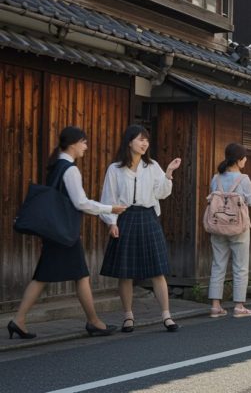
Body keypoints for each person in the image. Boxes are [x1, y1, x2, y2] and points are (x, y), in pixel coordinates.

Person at [8, 126, 127, 339]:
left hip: (54, 232)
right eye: (84, 142)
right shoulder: (70, 169)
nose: (86, 147)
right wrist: (110, 208)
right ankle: (93, 322)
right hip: (64, 235)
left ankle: (19, 320)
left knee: (44, 277)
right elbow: (80, 202)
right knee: (80, 275)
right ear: (73, 143)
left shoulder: (56, 166)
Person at [99, 125, 182, 332]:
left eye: (146, 140)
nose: (144, 143)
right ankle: (128, 316)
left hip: (148, 217)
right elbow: (108, 198)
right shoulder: (115, 169)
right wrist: (111, 222)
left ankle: (166, 316)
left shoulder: (152, 166)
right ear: (129, 142)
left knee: (158, 269)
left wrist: (169, 172)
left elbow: (162, 193)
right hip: (125, 217)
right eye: (140, 139)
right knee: (125, 272)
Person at [208, 143, 251, 319]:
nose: (245, 161)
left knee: (218, 264)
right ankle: (239, 306)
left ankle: (215, 306)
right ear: (238, 160)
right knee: (240, 266)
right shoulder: (243, 179)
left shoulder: (217, 178)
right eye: (244, 158)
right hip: (238, 227)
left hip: (218, 225)